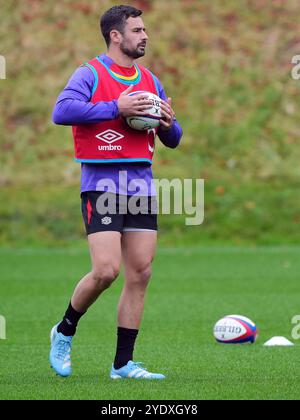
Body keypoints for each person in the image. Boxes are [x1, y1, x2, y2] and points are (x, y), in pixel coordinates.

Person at [50, 4, 183, 380]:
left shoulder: (151, 79)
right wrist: (116, 107)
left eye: (144, 30)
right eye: (137, 30)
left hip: (140, 185)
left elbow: (174, 138)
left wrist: (169, 125)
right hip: (102, 186)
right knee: (106, 271)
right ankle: (64, 330)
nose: (145, 36)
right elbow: (62, 111)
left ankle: (122, 364)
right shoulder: (90, 72)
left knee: (140, 273)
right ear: (116, 35)